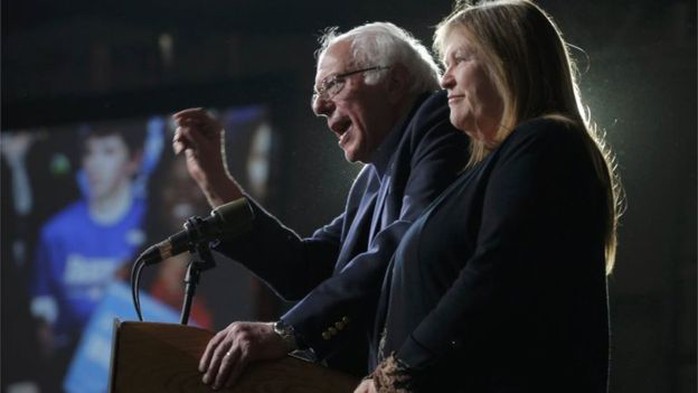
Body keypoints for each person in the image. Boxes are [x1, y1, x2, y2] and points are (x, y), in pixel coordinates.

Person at [172, 22, 471, 390]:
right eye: (317, 92)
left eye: (333, 84)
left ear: (394, 83)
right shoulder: (371, 179)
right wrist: (214, 180)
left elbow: (408, 242)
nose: (317, 105)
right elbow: (303, 269)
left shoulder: (439, 122)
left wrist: (285, 332)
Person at [354, 1, 624, 392]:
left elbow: (497, 272)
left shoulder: (546, 142)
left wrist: (396, 372)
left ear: (509, 61)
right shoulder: (492, 169)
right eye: (443, 65)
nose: (444, 80)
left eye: (458, 60)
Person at [29, 123, 148, 388]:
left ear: (134, 160)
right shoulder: (56, 232)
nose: (94, 165)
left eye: (108, 152)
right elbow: (43, 319)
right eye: (88, 153)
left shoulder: (152, 225)